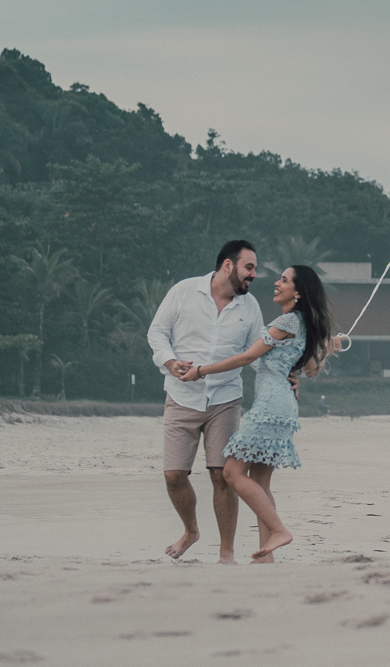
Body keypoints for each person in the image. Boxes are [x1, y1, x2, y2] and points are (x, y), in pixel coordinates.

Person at [179, 263, 336, 562]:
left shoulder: (289, 321)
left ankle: (279, 531)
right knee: (261, 483)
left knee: (232, 472)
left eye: (284, 280)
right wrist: (326, 348)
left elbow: (248, 356)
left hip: (270, 407)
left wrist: (201, 371)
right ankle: (266, 558)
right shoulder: (305, 324)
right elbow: (310, 370)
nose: (277, 283)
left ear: (298, 292)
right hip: (283, 406)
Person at [146, 239, 264, 563]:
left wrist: (286, 373)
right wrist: (169, 361)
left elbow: (257, 353)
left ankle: (227, 551)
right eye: (249, 267)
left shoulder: (250, 306)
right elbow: (156, 332)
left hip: (225, 397)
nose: (254, 275)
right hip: (181, 394)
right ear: (229, 265)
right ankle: (191, 531)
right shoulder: (184, 291)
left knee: (221, 474)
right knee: (173, 475)